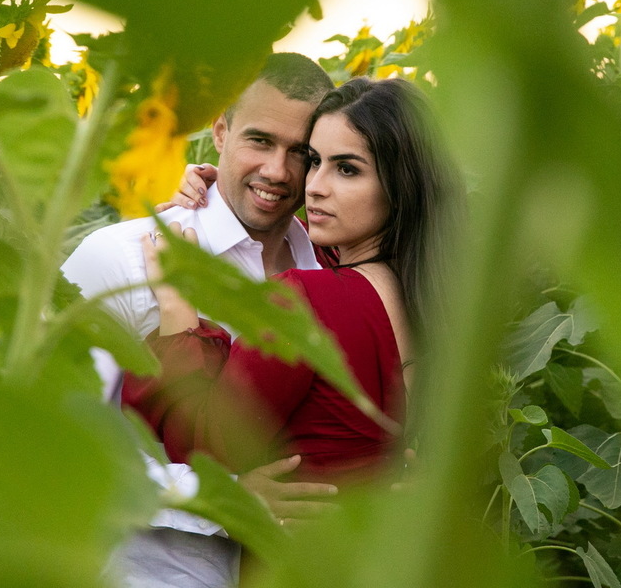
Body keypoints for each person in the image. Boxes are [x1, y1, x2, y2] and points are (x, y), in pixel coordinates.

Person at [62, 52, 337, 588]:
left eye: (301, 153)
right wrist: (224, 500)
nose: (278, 172)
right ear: (219, 132)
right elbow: (60, 443)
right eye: (259, 141)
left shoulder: (330, 276)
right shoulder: (121, 259)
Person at [130, 77, 458, 488]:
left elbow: (204, 443)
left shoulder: (308, 300)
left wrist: (178, 305)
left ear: (401, 185)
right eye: (314, 160)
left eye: (347, 169)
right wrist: (229, 187)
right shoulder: (432, 297)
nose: (315, 186)